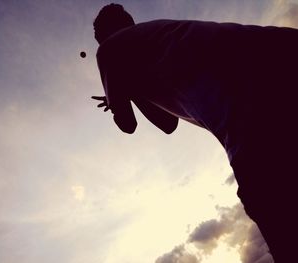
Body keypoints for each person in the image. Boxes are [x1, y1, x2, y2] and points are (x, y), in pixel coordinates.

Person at [92, 3, 298, 262]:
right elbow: (168, 124)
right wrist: (128, 90)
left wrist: (115, 98)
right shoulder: (160, 36)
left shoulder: (109, 49)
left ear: (103, 34)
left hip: (253, 114)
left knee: (278, 216)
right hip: (286, 54)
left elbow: (127, 124)